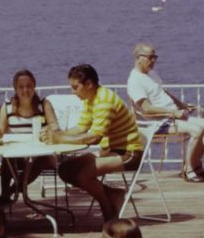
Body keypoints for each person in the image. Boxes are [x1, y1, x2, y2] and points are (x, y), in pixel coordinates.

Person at [48, 63, 144, 222]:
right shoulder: (90, 98)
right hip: (111, 151)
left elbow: (95, 137)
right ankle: (113, 194)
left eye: (75, 87)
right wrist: (57, 135)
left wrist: (59, 138)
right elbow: (82, 127)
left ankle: (108, 208)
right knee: (65, 170)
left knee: (83, 175)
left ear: (89, 84)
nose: (72, 92)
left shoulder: (104, 100)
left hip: (129, 154)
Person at [127, 43, 204, 182]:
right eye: (150, 57)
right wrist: (172, 112)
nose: (153, 61)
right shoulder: (135, 80)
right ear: (138, 58)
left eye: (155, 57)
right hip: (158, 122)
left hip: (172, 116)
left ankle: (194, 165)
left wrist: (182, 105)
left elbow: (163, 92)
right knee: (197, 131)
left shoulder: (151, 74)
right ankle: (189, 170)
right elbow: (146, 108)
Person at [0, 68, 61, 203]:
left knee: (43, 158)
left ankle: (13, 190)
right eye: (21, 87)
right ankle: (4, 195)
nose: (25, 90)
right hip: (18, 153)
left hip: (40, 153)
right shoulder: (7, 107)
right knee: (6, 159)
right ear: (15, 88)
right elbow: (1, 132)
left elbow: (55, 127)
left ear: (34, 87)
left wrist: (48, 130)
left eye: (29, 86)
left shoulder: (44, 105)